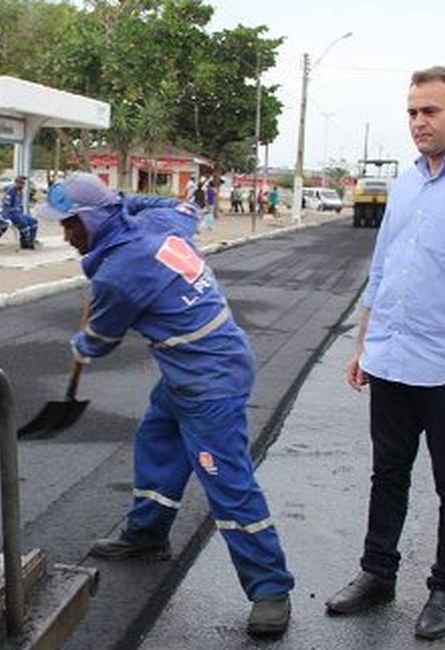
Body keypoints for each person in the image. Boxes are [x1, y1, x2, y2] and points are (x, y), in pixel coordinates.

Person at [34, 172, 296, 638]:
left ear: (95, 219)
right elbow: (185, 208)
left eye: (72, 224)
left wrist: (81, 344)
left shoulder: (118, 275)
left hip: (210, 380)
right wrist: (123, 203)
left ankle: (271, 588)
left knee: (227, 481)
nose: (66, 234)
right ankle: (147, 533)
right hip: (194, 367)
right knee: (157, 438)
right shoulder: (161, 221)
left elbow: (102, 339)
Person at [323, 64, 445, 641]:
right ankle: (376, 573)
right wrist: (364, 345)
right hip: (391, 359)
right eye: (412, 111)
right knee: (388, 474)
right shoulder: (407, 182)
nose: (418, 122)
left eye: (430, 110)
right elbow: (381, 270)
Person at [0, 175, 39, 249]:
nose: (22, 185)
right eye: (20, 183)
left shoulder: (20, 192)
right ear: (16, 182)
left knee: (34, 222)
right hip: (10, 214)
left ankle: (31, 241)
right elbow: (6, 207)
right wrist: (7, 217)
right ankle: (25, 242)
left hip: (18, 214)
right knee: (23, 223)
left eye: (23, 183)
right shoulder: (10, 192)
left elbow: (20, 207)